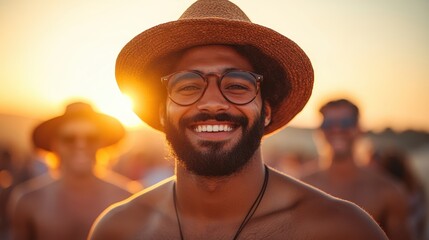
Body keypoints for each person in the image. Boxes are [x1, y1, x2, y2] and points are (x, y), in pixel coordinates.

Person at [89, 1, 388, 239]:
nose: (212, 101)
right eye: (188, 86)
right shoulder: (118, 230)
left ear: (266, 111)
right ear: (161, 114)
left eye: (236, 85)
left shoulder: (341, 230)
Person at [9, 102, 135, 240]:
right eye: (69, 139)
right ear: (55, 144)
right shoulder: (29, 201)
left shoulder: (127, 198)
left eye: (91, 138)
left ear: (101, 143)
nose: (81, 145)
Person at [301, 98, 415, 240]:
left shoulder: (387, 191)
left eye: (346, 123)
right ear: (319, 131)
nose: (337, 129)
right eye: (328, 123)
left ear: (360, 129)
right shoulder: (301, 186)